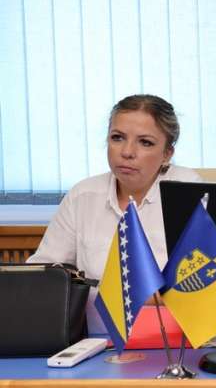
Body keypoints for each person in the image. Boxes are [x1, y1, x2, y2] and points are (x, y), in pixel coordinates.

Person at [28, 94, 201, 283]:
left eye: (145, 142)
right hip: (96, 304)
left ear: (167, 154)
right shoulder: (83, 196)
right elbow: (43, 273)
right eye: (117, 138)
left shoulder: (189, 191)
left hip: (169, 303)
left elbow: (207, 276)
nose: (127, 152)